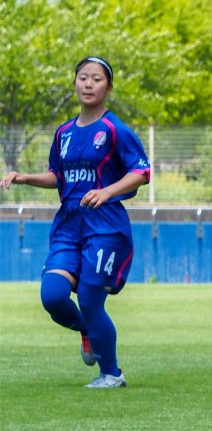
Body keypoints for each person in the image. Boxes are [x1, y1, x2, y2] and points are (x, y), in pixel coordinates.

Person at [1, 57, 149, 388]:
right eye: (83, 77)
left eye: (97, 79)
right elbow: (58, 176)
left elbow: (141, 172)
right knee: (53, 296)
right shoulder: (64, 133)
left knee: (90, 299)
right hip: (69, 223)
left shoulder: (115, 129)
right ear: (75, 84)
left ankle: (111, 374)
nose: (88, 83)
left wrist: (107, 191)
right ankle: (87, 331)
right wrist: (25, 178)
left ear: (108, 88)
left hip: (105, 225)